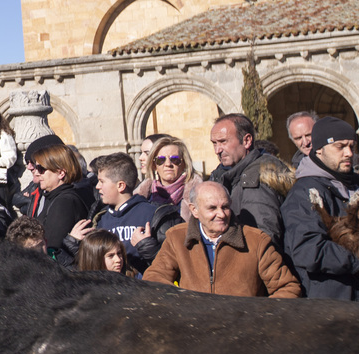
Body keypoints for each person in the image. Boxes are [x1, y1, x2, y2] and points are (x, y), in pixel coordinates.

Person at [142, 181, 301, 298]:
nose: (222, 214)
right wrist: (184, 304)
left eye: (225, 207)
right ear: (194, 210)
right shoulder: (176, 238)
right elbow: (154, 278)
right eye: (212, 208)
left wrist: (259, 318)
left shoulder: (256, 241)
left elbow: (288, 287)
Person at [280, 117, 359, 299]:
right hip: (332, 304)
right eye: (340, 147)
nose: (348, 153)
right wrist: (355, 261)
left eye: (351, 146)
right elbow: (309, 249)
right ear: (319, 150)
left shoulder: (355, 184)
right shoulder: (304, 193)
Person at [66, 152, 174, 273]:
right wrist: (75, 246)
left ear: (120, 186)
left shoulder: (154, 215)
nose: (97, 186)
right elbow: (90, 268)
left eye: (102, 181)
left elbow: (174, 263)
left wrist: (148, 248)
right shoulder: (99, 219)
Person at [209, 113, 291, 244]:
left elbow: (262, 239)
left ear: (246, 141)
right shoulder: (221, 175)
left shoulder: (256, 179)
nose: (217, 150)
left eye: (223, 142)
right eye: (214, 143)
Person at [29, 143, 90, 265]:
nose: (36, 173)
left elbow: (52, 246)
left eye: (41, 169)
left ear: (61, 173)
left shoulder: (64, 202)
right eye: (36, 168)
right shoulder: (53, 197)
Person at [143, 136, 199, 222]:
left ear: (184, 163)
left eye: (175, 159)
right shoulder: (144, 199)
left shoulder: (197, 195)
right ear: (154, 165)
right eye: (161, 160)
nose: (168, 164)